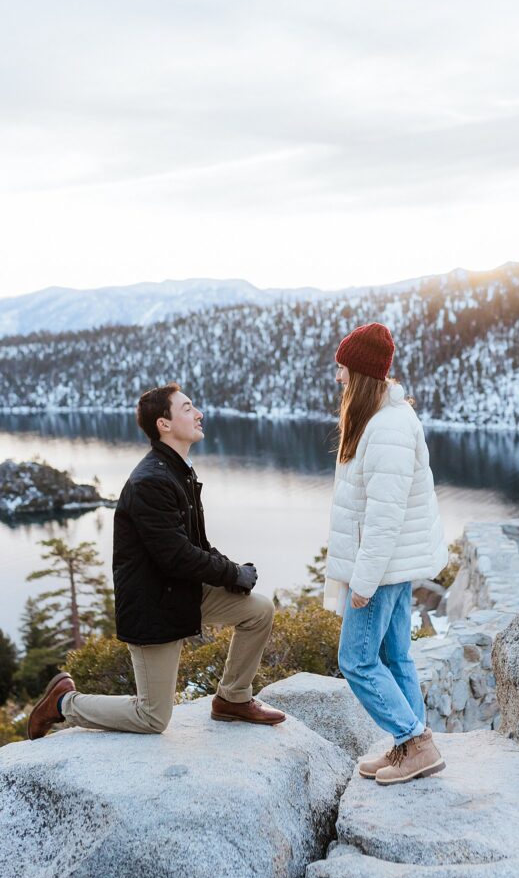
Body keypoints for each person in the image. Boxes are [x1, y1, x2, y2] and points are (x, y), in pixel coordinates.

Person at [27, 382, 285, 739]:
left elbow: (195, 544)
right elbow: (176, 556)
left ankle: (232, 698)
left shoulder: (180, 471)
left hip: (182, 591)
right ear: (164, 424)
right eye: (188, 408)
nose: (199, 414)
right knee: (152, 717)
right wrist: (231, 572)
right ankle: (63, 703)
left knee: (258, 610)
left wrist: (233, 572)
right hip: (155, 606)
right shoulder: (151, 481)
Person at [324, 322, 448, 785]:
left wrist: (363, 580)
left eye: (343, 369)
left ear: (362, 374)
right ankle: (408, 748)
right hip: (391, 566)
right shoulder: (382, 420)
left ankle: (414, 741)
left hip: (381, 567)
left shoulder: (389, 426)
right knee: (396, 657)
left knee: (355, 659)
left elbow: (385, 516)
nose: (338, 378)